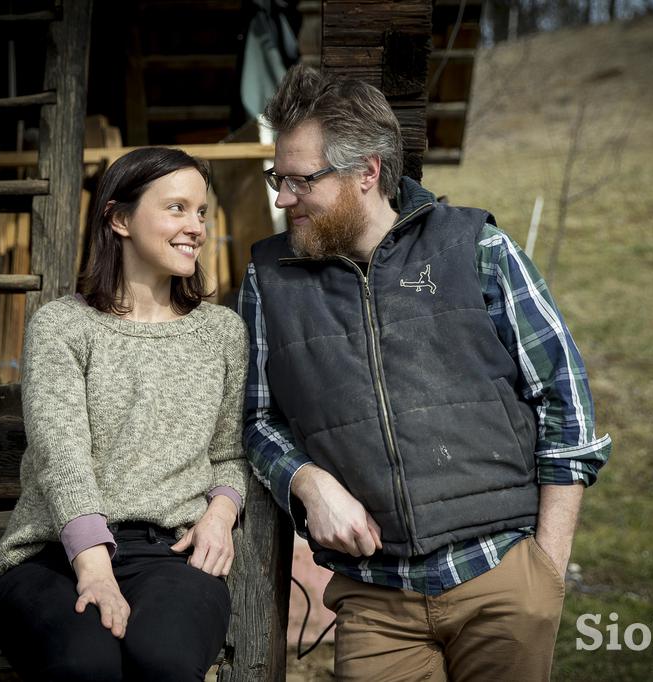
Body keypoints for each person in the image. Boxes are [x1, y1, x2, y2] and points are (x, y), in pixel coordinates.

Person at [239, 64, 612, 681]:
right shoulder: (268, 279)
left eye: (300, 180)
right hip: (374, 603)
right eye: (277, 178)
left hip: (503, 580)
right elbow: (256, 418)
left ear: (367, 172)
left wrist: (546, 572)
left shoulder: (477, 249)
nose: (282, 199)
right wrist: (306, 480)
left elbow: (565, 402)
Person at [0, 147, 250, 681]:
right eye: (176, 208)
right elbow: (62, 456)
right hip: (53, 554)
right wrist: (95, 570)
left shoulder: (222, 333)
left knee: (165, 661)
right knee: (87, 664)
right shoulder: (62, 326)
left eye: (201, 212)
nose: (195, 226)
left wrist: (221, 515)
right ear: (120, 218)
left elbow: (228, 453)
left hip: (171, 556)